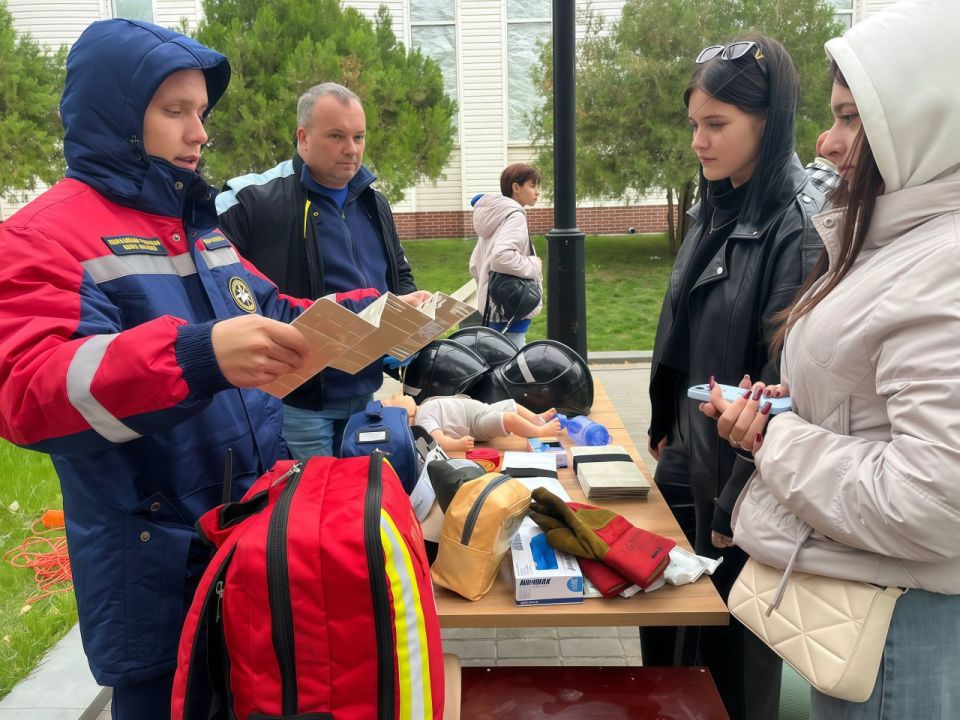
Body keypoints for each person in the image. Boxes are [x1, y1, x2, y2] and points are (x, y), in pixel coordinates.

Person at [0, 19, 380, 719]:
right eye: (175, 111)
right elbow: (31, 392)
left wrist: (376, 317)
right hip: (154, 565)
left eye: (201, 112)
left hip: (247, 541)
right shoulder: (41, 236)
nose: (199, 133)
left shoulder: (195, 226)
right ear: (117, 117)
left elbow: (273, 310)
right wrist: (197, 356)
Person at [702, 1, 960, 717]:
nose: (827, 139)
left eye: (851, 117)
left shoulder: (940, 267)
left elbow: (932, 500)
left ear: (920, 121)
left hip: (895, 626)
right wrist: (786, 408)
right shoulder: (895, 243)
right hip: (867, 603)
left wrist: (773, 437)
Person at [644, 34, 827, 720]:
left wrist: (733, 505)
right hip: (689, 459)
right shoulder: (715, 207)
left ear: (768, 121)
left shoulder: (796, 228)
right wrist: (664, 420)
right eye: (694, 123)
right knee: (667, 648)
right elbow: (684, 328)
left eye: (716, 124)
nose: (698, 141)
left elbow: (783, 389)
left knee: (731, 667)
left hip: (742, 486)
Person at [216, 82, 430, 459]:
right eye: (336, 136)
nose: (351, 149)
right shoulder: (250, 201)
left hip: (363, 390)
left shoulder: (373, 202)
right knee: (311, 493)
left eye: (359, 136)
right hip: (296, 400)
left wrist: (410, 317)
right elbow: (216, 288)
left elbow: (398, 275)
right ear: (303, 137)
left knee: (358, 491)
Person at [469, 163, 544, 347]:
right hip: (510, 309)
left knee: (496, 357)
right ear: (516, 187)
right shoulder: (515, 216)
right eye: (532, 186)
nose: (537, 192)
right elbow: (501, 257)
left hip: (493, 307)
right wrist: (534, 264)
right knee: (513, 361)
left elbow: (475, 264)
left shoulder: (494, 216)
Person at [383, 393, 560, 454]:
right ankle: (539, 431)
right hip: (476, 423)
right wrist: (457, 445)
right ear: (401, 413)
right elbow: (438, 440)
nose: (398, 394)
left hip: (481, 409)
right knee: (508, 419)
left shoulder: (422, 407)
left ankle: (536, 419)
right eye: (393, 399)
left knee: (511, 404)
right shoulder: (423, 420)